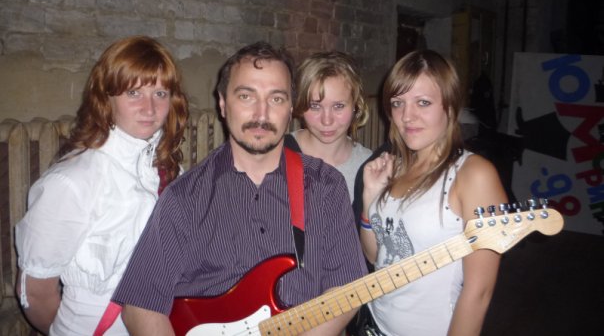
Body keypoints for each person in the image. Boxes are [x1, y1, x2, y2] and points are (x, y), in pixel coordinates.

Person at [112, 41, 368, 335]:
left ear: (290, 109)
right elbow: (140, 306)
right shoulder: (185, 197)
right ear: (223, 104)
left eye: (276, 99)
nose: (261, 114)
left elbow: (345, 287)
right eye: (246, 96)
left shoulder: (325, 186)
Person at [14, 36, 189, 335]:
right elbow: (36, 292)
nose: (149, 108)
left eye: (160, 93)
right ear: (106, 98)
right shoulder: (71, 183)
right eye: (134, 92)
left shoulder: (170, 171)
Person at [359, 50, 507, 336]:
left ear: (450, 106)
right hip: (374, 324)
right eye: (398, 103)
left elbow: (479, 293)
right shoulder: (394, 167)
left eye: (423, 102)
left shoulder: (474, 175)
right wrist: (370, 198)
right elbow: (376, 256)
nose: (407, 116)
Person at [285, 51, 372, 201]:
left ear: (356, 104)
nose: (327, 121)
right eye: (315, 106)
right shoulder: (277, 155)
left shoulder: (370, 166)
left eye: (338, 106)